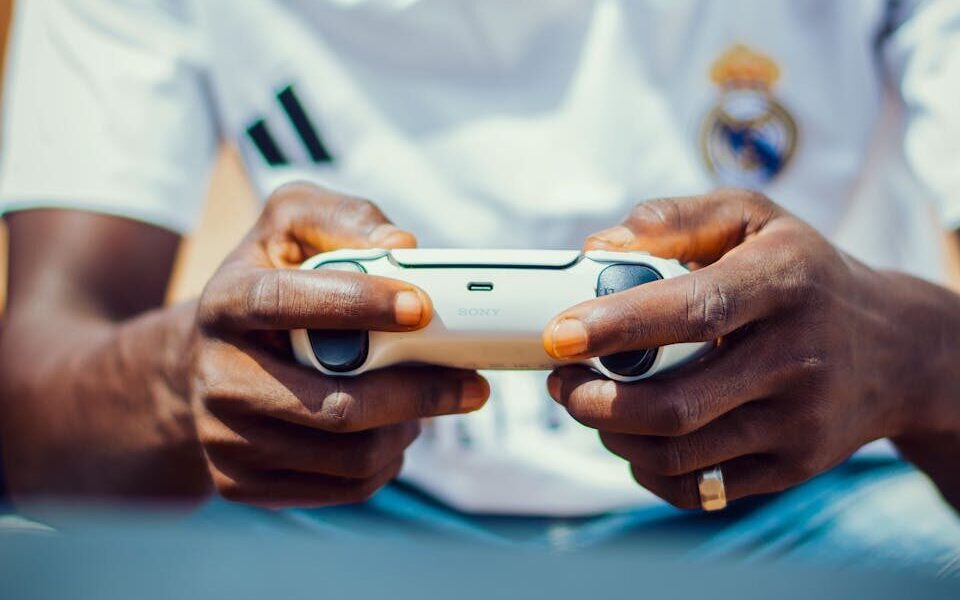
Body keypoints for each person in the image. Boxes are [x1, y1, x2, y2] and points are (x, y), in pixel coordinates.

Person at [1, 0, 959, 575]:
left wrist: (909, 360)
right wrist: (185, 378)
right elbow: (36, 418)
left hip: (819, 487)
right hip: (336, 509)